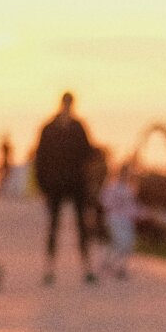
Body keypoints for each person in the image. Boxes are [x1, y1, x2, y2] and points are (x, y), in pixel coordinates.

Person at [32, 93, 97, 283]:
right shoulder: (49, 129)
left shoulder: (77, 127)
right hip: (56, 184)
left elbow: (87, 154)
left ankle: (87, 268)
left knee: (81, 227)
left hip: (76, 184)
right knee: (54, 226)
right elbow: (41, 158)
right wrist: (43, 185)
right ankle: (49, 269)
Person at [100, 160, 140, 280]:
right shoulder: (111, 188)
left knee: (128, 244)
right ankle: (112, 265)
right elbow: (104, 203)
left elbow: (132, 206)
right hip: (115, 219)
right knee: (119, 243)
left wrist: (141, 214)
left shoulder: (129, 189)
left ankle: (119, 267)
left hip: (126, 220)